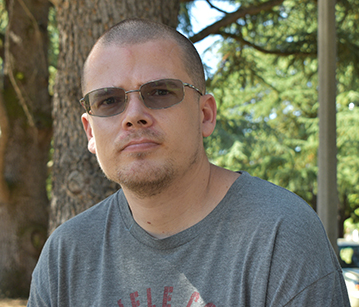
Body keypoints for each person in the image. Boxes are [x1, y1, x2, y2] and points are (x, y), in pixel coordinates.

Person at [28, 18, 349, 306]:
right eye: (109, 101)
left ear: (205, 115)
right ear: (90, 132)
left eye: (160, 92)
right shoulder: (66, 256)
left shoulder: (280, 234)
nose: (134, 116)